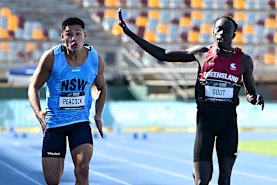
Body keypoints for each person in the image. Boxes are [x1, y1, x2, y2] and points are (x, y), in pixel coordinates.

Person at [118, 9, 264, 185]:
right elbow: (163, 54)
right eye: (217, 29)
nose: (220, 34)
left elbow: (250, 92)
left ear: (234, 34)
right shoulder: (202, 54)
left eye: (225, 31)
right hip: (205, 124)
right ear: (212, 32)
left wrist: (254, 98)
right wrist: (130, 34)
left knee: (225, 179)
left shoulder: (244, 61)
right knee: (202, 180)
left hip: (228, 125)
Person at [28, 17, 107, 185]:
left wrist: (98, 115)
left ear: (85, 36)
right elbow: (33, 87)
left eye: (78, 34)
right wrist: (38, 112)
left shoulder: (95, 60)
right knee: (52, 181)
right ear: (62, 37)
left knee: (83, 170)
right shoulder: (51, 58)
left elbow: (102, 88)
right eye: (69, 34)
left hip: (80, 123)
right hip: (55, 125)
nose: (74, 38)